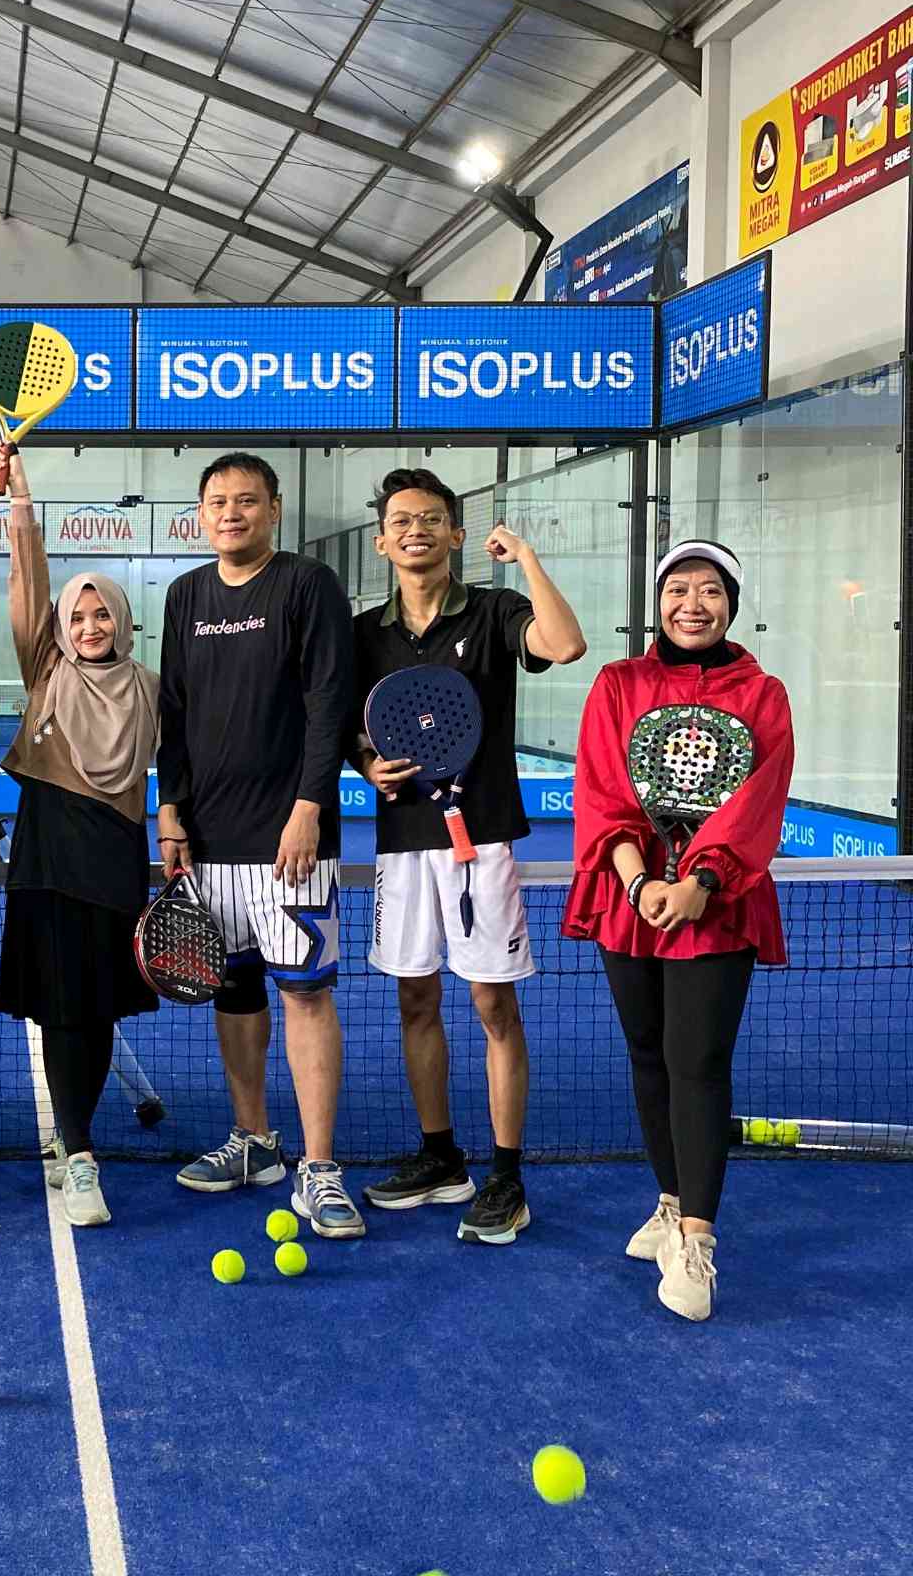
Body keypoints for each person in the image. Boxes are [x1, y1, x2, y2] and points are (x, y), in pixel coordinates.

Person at [349, 468, 587, 1246]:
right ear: (382, 542)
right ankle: (441, 1156)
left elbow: (565, 644)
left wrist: (527, 560)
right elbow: (350, 727)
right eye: (401, 520)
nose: (415, 530)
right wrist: (366, 763)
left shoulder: (493, 610)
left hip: (480, 837)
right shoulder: (364, 632)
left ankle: (506, 1175)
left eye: (431, 518)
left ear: (455, 534)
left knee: (491, 1005)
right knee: (415, 1001)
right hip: (403, 841)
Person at [566, 541, 792, 1322]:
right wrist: (640, 883)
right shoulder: (618, 684)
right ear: (658, 601)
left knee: (697, 1062)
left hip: (717, 906)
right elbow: (602, 789)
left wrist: (700, 883)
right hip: (628, 898)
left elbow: (757, 802)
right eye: (678, 589)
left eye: (710, 591)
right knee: (647, 1054)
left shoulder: (762, 694)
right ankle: (669, 1200)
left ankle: (697, 1240)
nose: (692, 605)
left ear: (732, 603)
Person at [156, 452, 363, 1238]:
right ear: (200, 515)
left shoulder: (308, 585)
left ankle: (320, 1168)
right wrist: (171, 809)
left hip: (290, 842)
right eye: (218, 502)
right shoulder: (185, 595)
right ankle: (255, 1141)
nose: (232, 513)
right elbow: (174, 711)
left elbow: (330, 702)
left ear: (274, 509)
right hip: (209, 841)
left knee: (305, 994)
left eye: (247, 500)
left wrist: (309, 806)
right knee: (235, 990)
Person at [0, 442, 159, 1228]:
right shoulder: (46, 672)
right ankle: (81, 1153)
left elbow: (192, 761)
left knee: (97, 1010)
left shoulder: (153, 689)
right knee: (62, 1009)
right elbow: (28, 583)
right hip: (48, 856)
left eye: (102, 614)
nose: (89, 625)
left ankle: (73, 1136)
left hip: (116, 858)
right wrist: (21, 499)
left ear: (122, 620)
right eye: (77, 616)